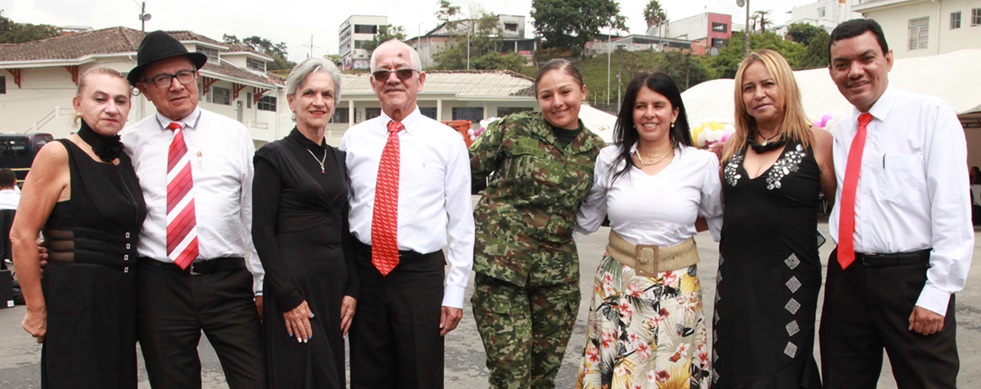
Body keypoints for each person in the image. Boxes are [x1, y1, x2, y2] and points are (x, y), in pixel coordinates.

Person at [820, 18, 973, 387]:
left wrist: (938, 292)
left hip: (910, 277)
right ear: (832, 73)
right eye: (842, 64)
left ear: (888, 59)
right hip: (847, 276)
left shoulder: (930, 115)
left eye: (866, 58)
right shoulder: (839, 133)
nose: (855, 71)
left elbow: (952, 209)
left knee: (926, 381)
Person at [122, 31, 265, 388]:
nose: (175, 86)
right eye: (161, 78)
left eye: (184, 74)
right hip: (160, 284)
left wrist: (261, 284)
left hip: (228, 281)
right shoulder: (128, 143)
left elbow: (252, 213)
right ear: (143, 87)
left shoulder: (233, 134)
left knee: (256, 378)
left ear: (197, 77)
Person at [339, 39, 474, 388]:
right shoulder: (353, 141)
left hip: (420, 276)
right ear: (373, 82)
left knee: (420, 376)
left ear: (421, 79)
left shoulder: (447, 142)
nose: (393, 79)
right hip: (366, 273)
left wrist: (455, 292)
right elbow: (342, 215)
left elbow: (461, 223)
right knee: (368, 376)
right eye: (382, 72)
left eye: (403, 71)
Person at [576, 72, 721, 388]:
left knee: (671, 376)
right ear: (630, 113)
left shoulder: (701, 163)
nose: (649, 113)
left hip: (678, 288)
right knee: (619, 376)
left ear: (675, 112)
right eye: (640, 106)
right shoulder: (610, 159)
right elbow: (586, 220)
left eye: (659, 104)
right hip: (617, 284)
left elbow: (718, 219)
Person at [469, 58, 604, 388]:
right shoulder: (513, 129)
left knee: (542, 379)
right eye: (546, 95)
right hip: (502, 273)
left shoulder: (598, 153)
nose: (557, 102)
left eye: (565, 92)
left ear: (582, 92)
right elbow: (462, 175)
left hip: (556, 281)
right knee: (510, 378)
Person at [11, 66, 146, 388]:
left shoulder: (123, 159)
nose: (111, 108)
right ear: (77, 104)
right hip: (74, 297)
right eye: (99, 99)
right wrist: (36, 310)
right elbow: (21, 236)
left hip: (121, 299)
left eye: (120, 100)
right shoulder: (58, 153)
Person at [712, 50, 835, 388]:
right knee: (735, 361)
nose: (759, 94)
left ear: (786, 87)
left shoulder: (817, 142)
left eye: (768, 84)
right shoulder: (731, 147)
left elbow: (843, 205)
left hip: (790, 281)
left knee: (781, 366)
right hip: (735, 280)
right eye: (749, 88)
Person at [251, 57, 359, 388]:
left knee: (329, 377)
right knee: (297, 375)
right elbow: (262, 231)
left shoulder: (339, 159)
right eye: (309, 93)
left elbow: (345, 229)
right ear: (292, 101)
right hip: (294, 287)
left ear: (335, 103)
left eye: (327, 94)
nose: (318, 102)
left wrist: (353, 288)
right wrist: (287, 296)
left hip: (332, 288)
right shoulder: (273, 156)